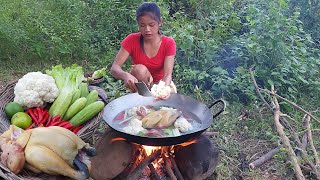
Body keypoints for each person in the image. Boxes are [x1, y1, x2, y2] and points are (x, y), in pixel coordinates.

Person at [110, 2, 177, 98]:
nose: (147, 29)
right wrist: (125, 75)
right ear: (138, 24)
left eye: (151, 25)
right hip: (139, 84)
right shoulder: (131, 40)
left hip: (161, 83)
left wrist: (163, 90)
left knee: (170, 101)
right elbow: (114, 68)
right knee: (139, 70)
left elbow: (167, 75)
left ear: (160, 22)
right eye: (142, 25)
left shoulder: (168, 43)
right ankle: (140, 98)